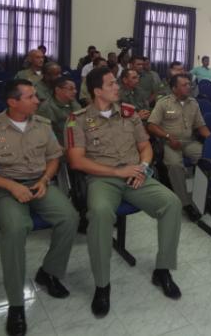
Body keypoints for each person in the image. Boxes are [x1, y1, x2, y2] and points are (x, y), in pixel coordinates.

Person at [65, 67, 182, 317]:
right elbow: (76, 161)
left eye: (116, 83)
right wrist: (118, 172)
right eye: (111, 84)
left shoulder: (129, 114)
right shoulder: (78, 119)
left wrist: (142, 167)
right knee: (99, 213)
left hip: (135, 174)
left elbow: (145, 146)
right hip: (103, 178)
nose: (117, 87)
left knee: (171, 203)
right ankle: (102, 285)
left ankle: (162, 270)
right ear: (97, 91)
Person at [0, 79, 78, 336]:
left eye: (36, 96)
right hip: (6, 188)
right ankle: (16, 303)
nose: (37, 100)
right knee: (16, 229)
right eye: (31, 97)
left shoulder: (43, 124)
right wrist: (10, 185)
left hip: (40, 184)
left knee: (69, 218)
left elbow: (54, 157)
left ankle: (49, 272)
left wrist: (45, 179)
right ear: (13, 102)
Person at [147, 74, 210, 221]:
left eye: (189, 84)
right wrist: (167, 137)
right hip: (170, 142)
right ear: (174, 88)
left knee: (207, 158)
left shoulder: (193, 103)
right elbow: (151, 125)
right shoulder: (163, 103)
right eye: (184, 85)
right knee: (175, 165)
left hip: (189, 141)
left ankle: (203, 197)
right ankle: (186, 203)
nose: (189, 87)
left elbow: (201, 126)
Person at [37, 76, 81, 145]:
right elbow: (48, 136)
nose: (75, 91)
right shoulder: (47, 108)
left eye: (75, 89)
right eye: (71, 89)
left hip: (78, 142)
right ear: (57, 90)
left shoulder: (73, 102)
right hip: (60, 147)